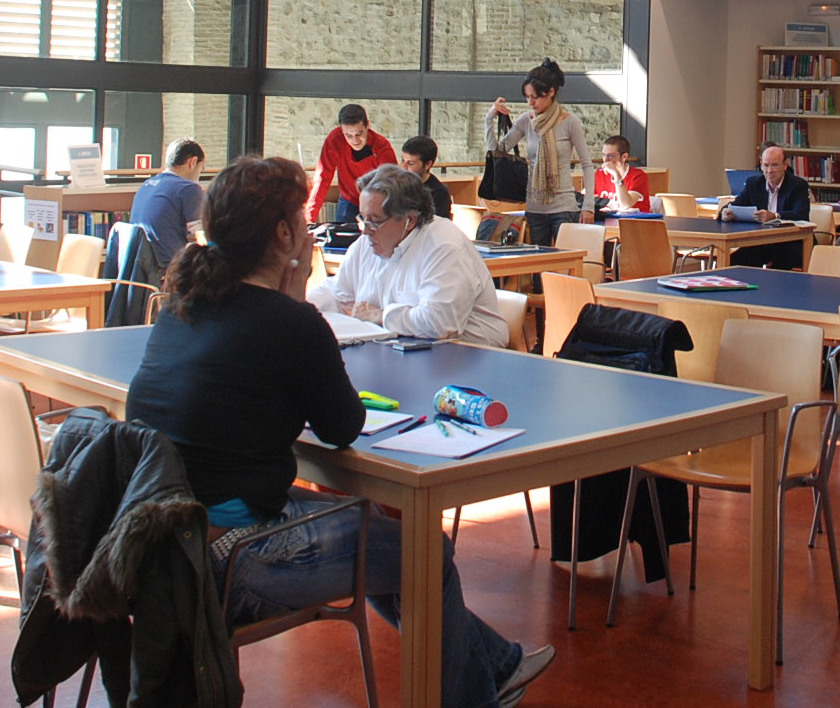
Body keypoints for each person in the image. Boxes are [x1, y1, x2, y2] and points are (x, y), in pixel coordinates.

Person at [125, 156, 551, 708]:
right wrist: (297, 297)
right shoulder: (289, 320)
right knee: (424, 553)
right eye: (302, 220)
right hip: (237, 559)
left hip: (166, 551)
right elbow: (343, 425)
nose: (310, 230)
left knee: (384, 539)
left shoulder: (181, 303)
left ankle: (496, 664)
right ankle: (478, 695)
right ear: (284, 235)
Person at [313, 165, 508, 346]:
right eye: (363, 218)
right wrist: (298, 309)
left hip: (469, 356)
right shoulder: (368, 242)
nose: (365, 231)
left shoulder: (443, 246)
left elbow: (439, 324)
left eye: (374, 221)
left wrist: (381, 316)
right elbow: (338, 293)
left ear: (410, 220)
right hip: (404, 349)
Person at [487, 59, 592, 246]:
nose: (531, 102)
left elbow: (587, 164)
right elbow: (497, 152)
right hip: (535, 206)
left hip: (564, 206)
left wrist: (588, 206)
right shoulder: (525, 121)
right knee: (537, 267)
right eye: (527, 97)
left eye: (536, 97)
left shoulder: (570, 122)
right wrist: (489, 118)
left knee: (565, 263)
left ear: (551, 92)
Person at [722, 143, 810, 270]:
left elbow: (801, 214)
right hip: (762, 241)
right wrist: (725, 213)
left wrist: (774, 216)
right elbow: (735, 205)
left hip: (792, 242)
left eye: (774, 165)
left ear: (785, 165)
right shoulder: (754, 184)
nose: (769, 171)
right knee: (734, 262)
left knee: (781, 263)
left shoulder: (797, 185)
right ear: (761, 165)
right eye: (766, 165)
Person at [307, 104, 397, 225]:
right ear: (341, 129)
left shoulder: (382, 147)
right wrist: (309, 217)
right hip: (348, 199)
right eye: (348, 135)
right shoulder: (335, 140)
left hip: (376, 201)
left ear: (367, 125)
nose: (354, 140)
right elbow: (323, 177)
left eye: (359, 134)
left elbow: (391, 184)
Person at [128, 138, 206, 270]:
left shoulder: (147, 184)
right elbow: (201, 237)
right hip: (169, 269)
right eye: (202, 168)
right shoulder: (188, 188)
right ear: (193, 162)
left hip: (142, 269)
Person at [592, 136, 652, 214]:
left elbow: (626, 204)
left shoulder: (638, 176)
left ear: (624, 157)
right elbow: (586, 198)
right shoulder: (599, 174)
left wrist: (616, 174)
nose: (606, 160)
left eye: (610, 156)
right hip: (607, 222)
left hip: (634, 223)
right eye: (604, 155)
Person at [400, 135, 454, 219]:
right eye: (402, 160)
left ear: (428, 165)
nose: (403, 167)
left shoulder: (439, 194)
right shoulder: (396, 184)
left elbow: (434, 227)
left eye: (410, 163)